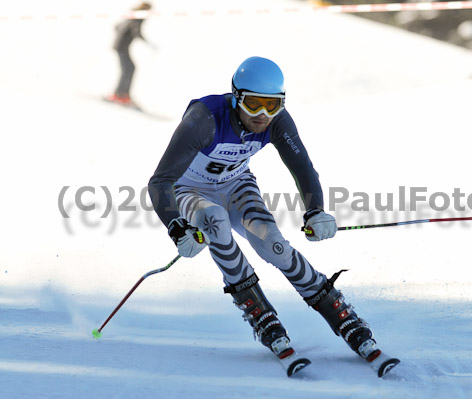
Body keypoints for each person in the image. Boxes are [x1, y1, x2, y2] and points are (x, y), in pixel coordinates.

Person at [148, 57, 391, 369]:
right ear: (236, 97)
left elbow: (301, 166)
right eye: (253, 104)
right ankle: (257, 311)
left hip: (236, 184)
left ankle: (338, 310)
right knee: (216, 225)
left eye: (272, 105)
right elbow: (160, 181)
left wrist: (315, 211)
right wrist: (177, 227)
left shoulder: (277, 121)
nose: (262, 115)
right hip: (190, 190)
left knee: (273, 245)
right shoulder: (204, 119)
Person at [106, 2, 153, 106]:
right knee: (128, 68)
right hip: (121, 47)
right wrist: (147, 42)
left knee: (129, 68)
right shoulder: (138, 18)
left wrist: (123, 36)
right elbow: (136, 32)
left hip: (120, 46)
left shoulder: (133, 15)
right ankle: (120, 94)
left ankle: (123, 93)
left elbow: (117, 26)